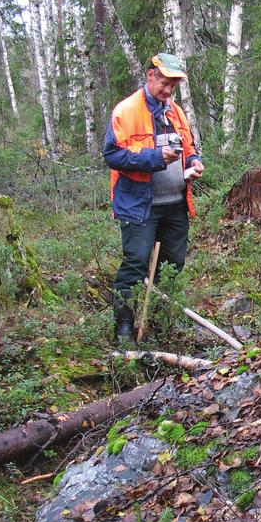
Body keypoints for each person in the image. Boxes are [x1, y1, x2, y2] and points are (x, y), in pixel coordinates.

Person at [104, 52, 204, 342]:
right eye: (165, 83)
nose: (169, 90)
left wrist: (193, 162)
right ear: (150, 76)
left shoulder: (175, 111)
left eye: (173, 85)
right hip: (139, 206)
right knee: (135, 263)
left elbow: (189, 146)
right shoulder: (126, 111)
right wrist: (154, 157)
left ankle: (160, 323)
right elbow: (112, 155)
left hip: (175, 204)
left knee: (173, 264)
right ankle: (124, 327)